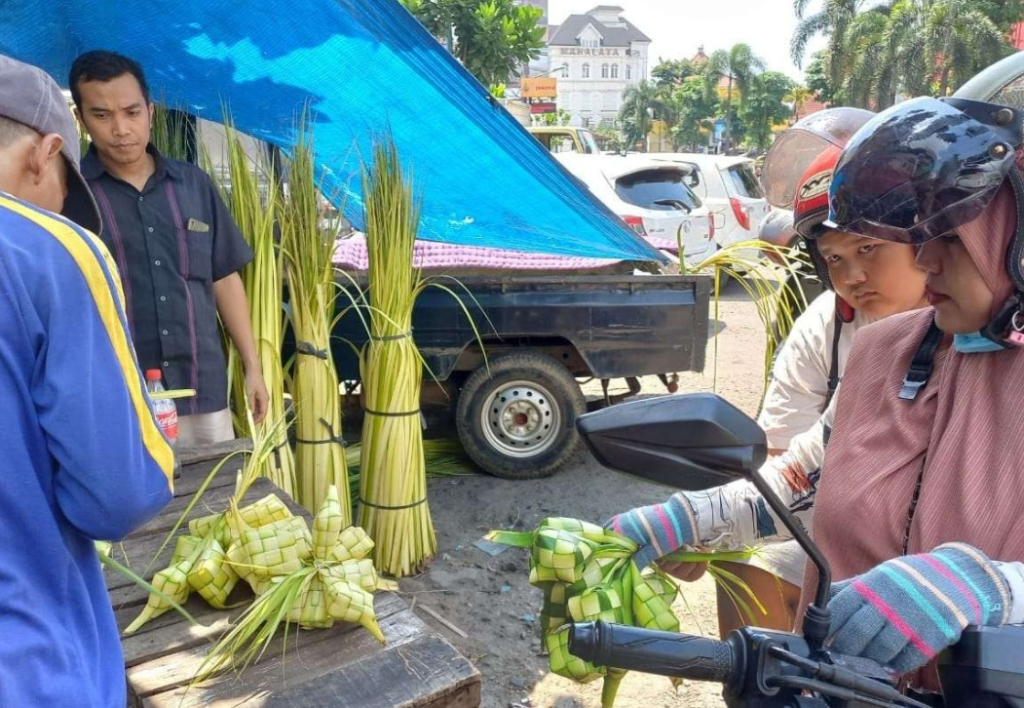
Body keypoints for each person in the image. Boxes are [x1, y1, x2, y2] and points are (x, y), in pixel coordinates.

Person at [609, 94, 1024, 697]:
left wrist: (993, 587)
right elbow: (806, 479)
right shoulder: (887, 351)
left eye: (951, 240)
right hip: (837, 687)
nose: (926, 257)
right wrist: (686, 519)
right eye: (918, 233)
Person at [712, 114, 930, 638]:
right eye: (834, 258)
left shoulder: (983, 334)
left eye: (870, 249)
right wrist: (702, 522)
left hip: (956, 567)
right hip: (849, 529)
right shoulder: (838, 329)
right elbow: (797, 459)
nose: (853, 276)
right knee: (745, 563)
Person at [0, 53, 174, 706]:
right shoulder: (50, 249)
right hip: (29, 665)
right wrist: (152, 443)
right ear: (45, 154)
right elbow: (115, 498)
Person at [68, 49, 268, 446]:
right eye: (102, 115)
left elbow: (224, 278)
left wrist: (253, 367)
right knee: (145, 506)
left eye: (131, 112)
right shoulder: (72, 196)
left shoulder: (194, 185)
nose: (121, 129)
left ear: (151, 112)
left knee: (214, 496)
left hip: (201, 386)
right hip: (120, 394)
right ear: (81, 118)